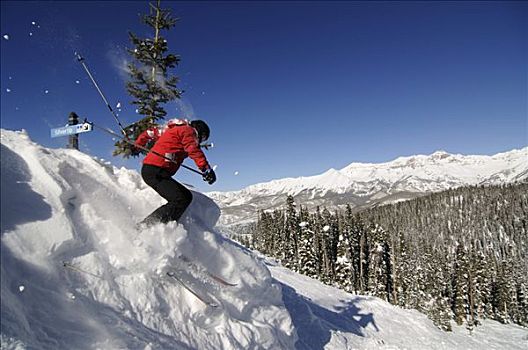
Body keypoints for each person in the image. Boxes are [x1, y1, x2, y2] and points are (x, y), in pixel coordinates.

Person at [134, 118, 216, 227]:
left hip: (154, 170)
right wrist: (206, 169)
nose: (200, 141)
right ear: (200, 131)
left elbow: (150, 132)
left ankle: (161, 225)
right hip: (156, 170)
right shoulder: (188, 131)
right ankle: (148, 226)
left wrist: (137, 144)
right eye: (203, 137)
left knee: (185, 197)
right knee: (180, 199)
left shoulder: (172, 130)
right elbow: (193, 149)